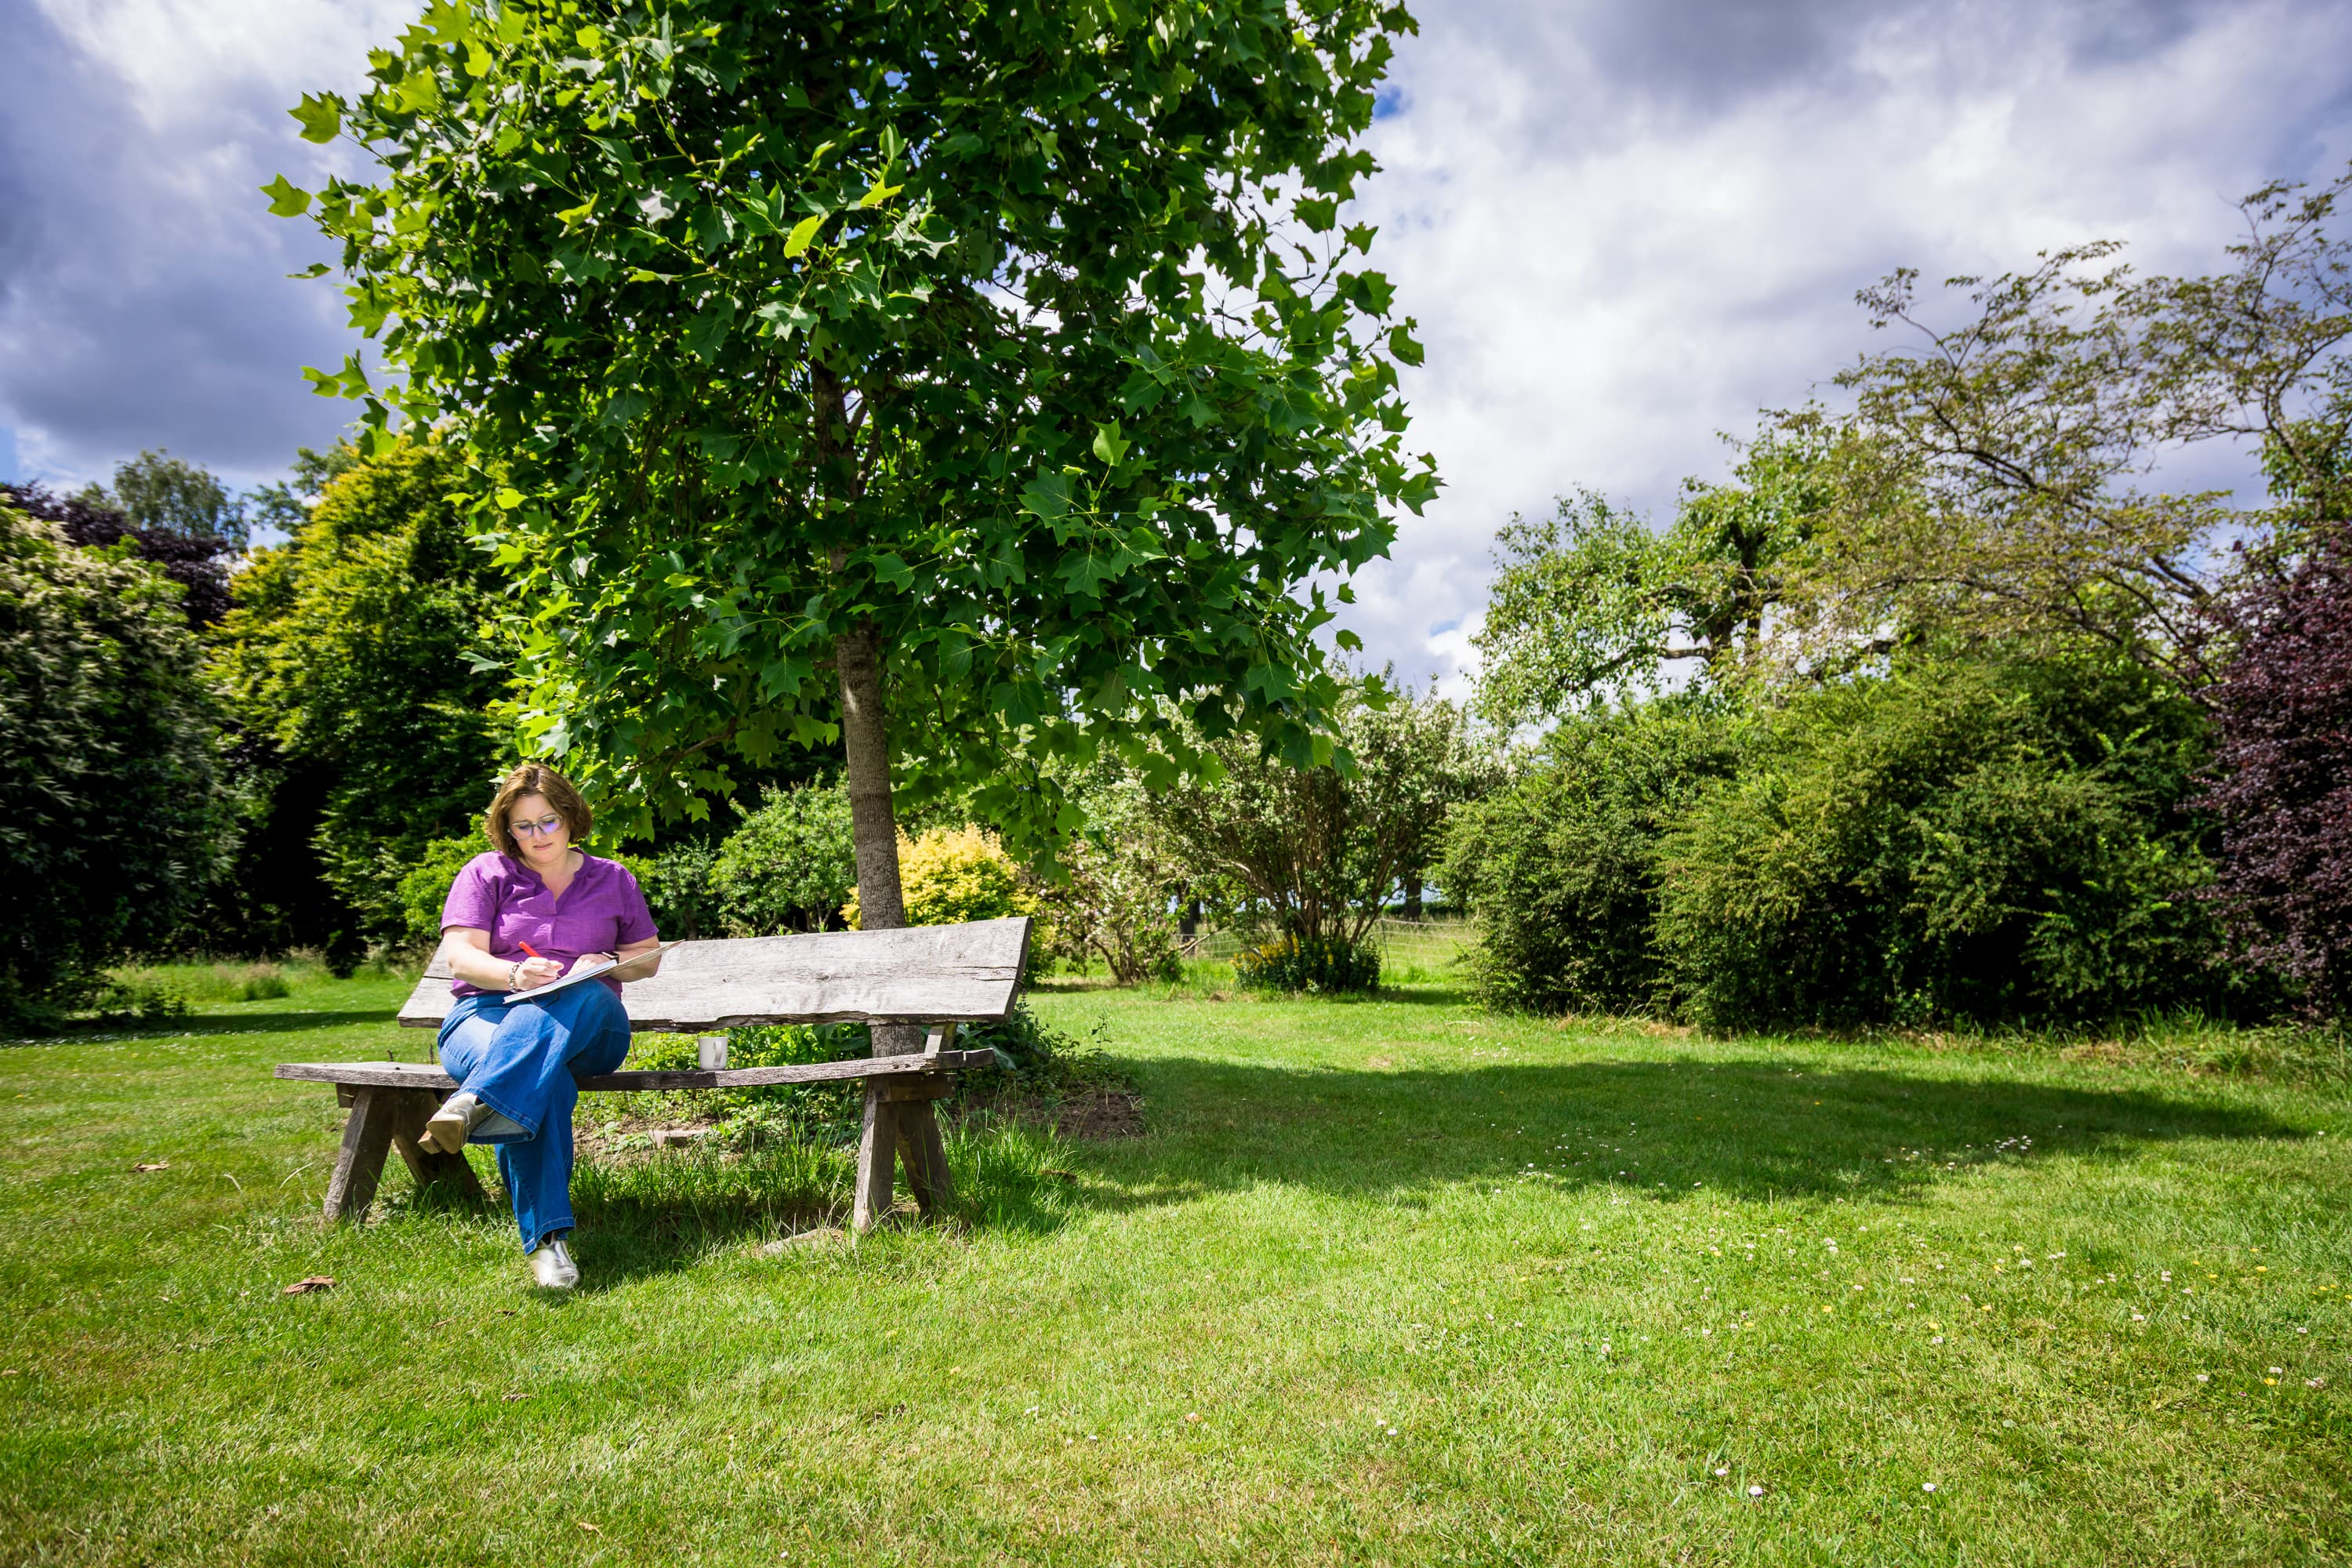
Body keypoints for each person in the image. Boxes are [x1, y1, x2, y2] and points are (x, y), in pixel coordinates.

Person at [423, 763, 665, 1289]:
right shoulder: (486, 873)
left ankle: (479, 1097)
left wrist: (601, 961)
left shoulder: (612, 878)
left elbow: (646, 959)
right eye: (523, 826)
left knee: (579, 991)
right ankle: (549, 1245)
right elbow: (461, 958)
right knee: (543, 1080)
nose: (537, 837)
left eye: (548, 822)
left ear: (572, 817)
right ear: (507, 829)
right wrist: (514, 973)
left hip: (591, 1027)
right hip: (485, 1017)